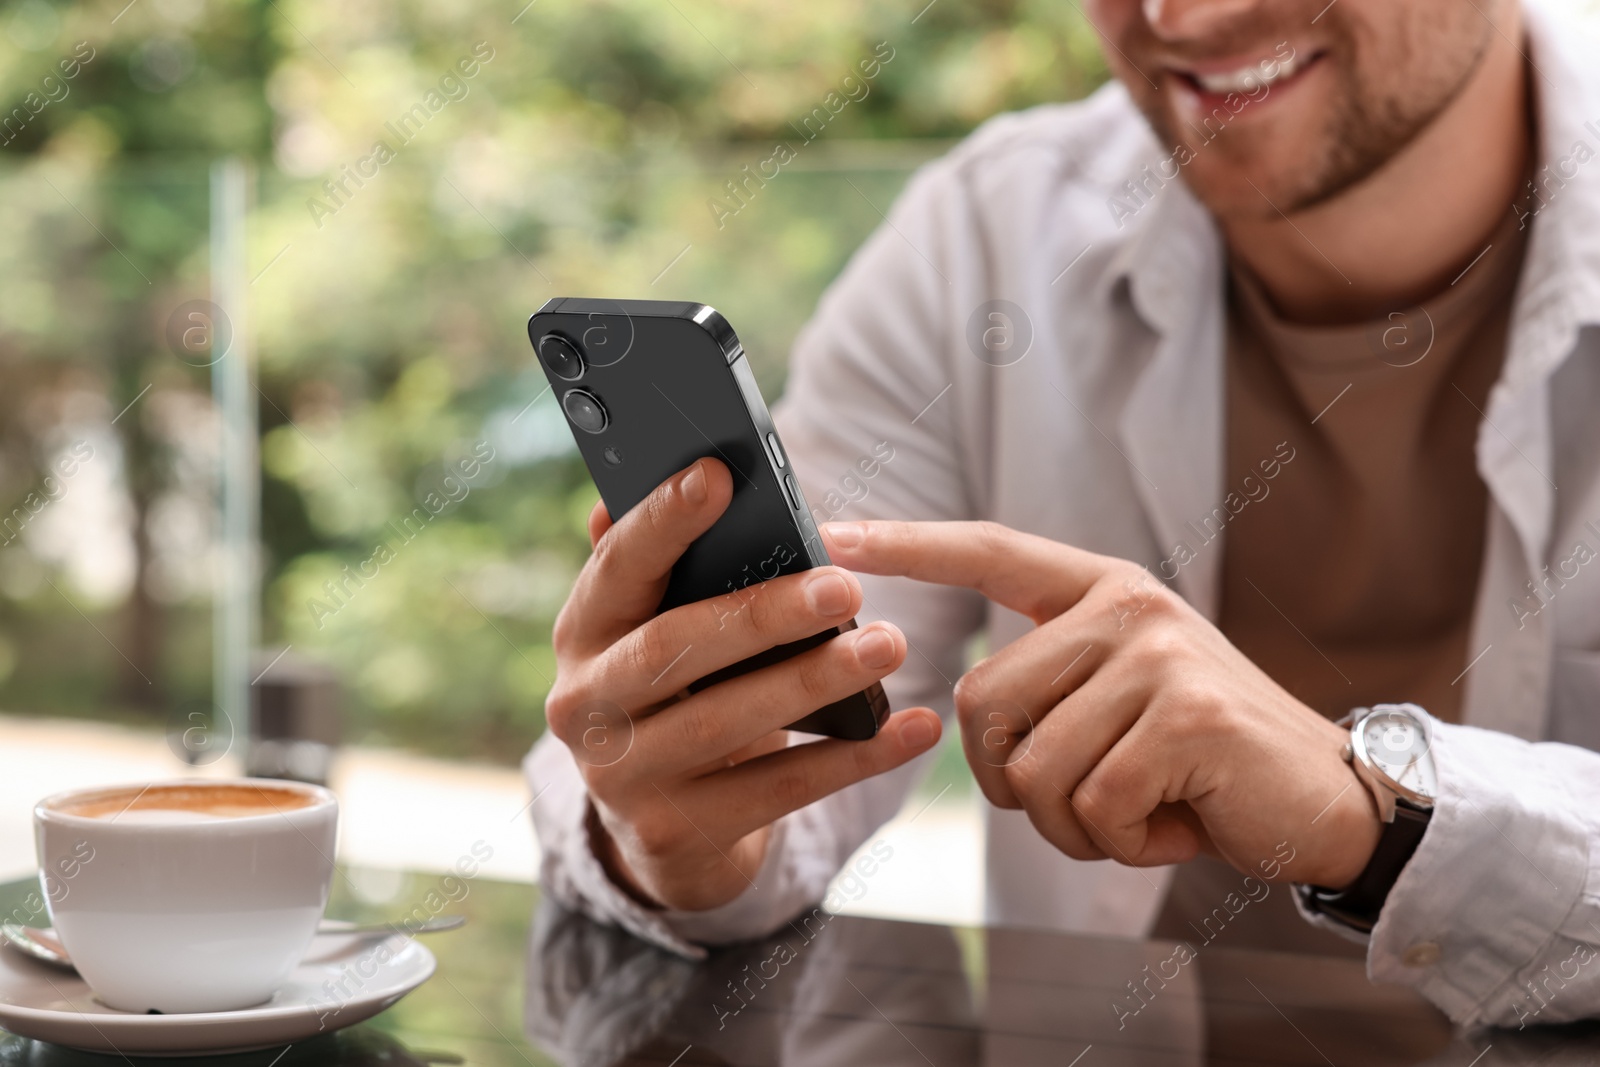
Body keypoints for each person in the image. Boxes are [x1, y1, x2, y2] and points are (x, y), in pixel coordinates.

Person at [526, 0, 1600, 1029]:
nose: (1179, 16)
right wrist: (681, 829)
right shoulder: (992, 239)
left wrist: (1369, 813)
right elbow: (787, 756)